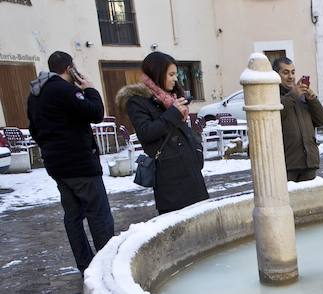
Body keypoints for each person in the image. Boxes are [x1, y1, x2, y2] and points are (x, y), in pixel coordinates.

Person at [27, 51, 114, 274]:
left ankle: (85, 264)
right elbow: (95, 113)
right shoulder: (65, 90)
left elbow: (34, 129)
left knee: (73, 215)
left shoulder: (35, 94)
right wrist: (90, 89)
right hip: (80, 164)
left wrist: (50, 148)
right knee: (98, 213)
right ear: (69, 69)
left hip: (57, 166)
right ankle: (107, 266)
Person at [117, 51, 208, 214]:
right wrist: (173, 113)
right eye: (171, 74)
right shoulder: (137, 101)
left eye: (176, 74)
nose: (175, 79)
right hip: (170, 179)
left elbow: (183, 129)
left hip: (191, 172)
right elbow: (146, 133)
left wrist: (197, 148)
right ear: (157, 74)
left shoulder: (169, 98)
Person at [272, 57, 323, 182]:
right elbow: (275, 116)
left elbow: (322, 120)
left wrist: (312, 99)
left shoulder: (302, 96)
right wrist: (293, 95)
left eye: (292, 72)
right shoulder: (272, 95)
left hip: (309, 163)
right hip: (286, 164)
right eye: (285, 72)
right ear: (276, 75)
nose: (290, 76)